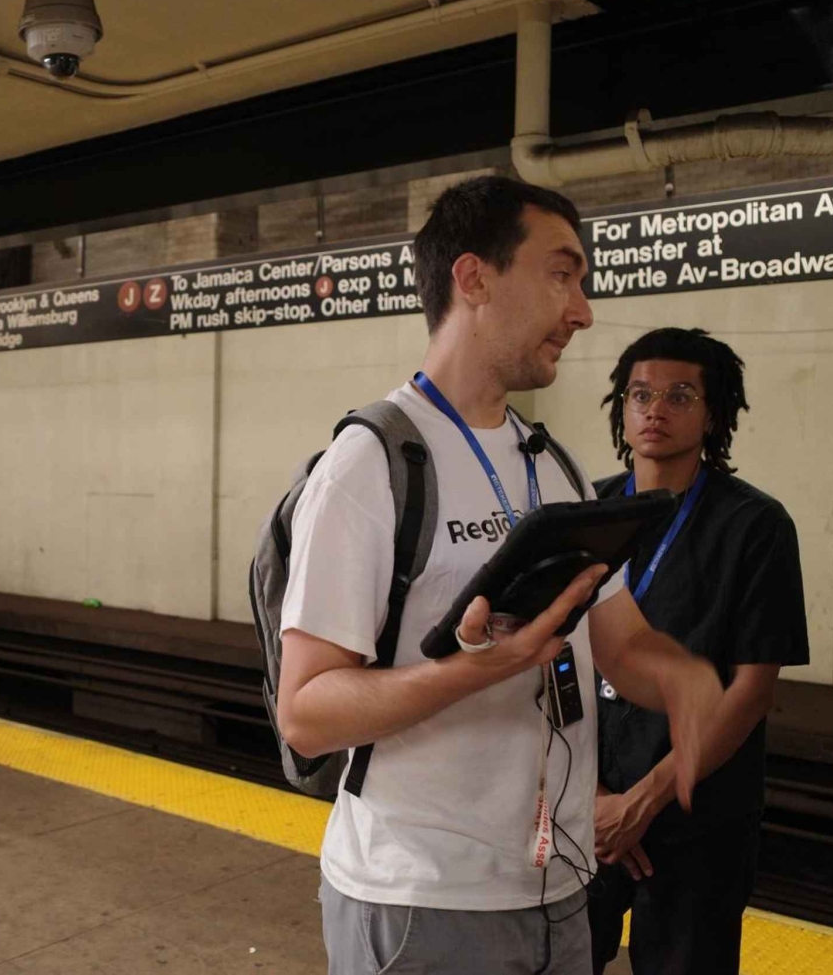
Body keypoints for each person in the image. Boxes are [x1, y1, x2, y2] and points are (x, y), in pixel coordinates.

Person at [276, 176, 724, 975]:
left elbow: (622, 644)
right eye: (562, 275)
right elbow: (306, 712)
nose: (582, 310)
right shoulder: (372, 464)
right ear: (474, 279)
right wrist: (474, 669)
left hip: (560, 892)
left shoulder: (553, 467)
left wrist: (688, 681)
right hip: (422, 904)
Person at [586, 327, 809, 975]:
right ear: (622, 408)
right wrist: (591, 797)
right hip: (586, 811)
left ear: (713, 415)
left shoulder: (755, 525)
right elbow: (543, 667)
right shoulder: (585, 511)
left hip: (696, 814)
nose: (655, 409)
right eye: (640, 394)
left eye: (680, 395)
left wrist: (642, 802)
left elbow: (751, 691)